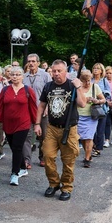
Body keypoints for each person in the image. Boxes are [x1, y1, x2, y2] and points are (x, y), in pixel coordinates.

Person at [34, 60, 86, 201]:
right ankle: (54, 183)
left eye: (59, 71)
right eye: (54, 71)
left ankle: (66, 187)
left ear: (65, 72)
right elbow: (41, 106)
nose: (56, 74)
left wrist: (79, 87)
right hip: (52, 127)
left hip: (69, 129)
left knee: (68, 160)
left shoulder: (71, 85)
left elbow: (82, 104)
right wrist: (37, 124)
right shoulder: (48, 86)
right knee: (48, 155)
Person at [0, 67, 37, 186]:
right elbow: (0, 106)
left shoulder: (28, 90)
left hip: (23, 124)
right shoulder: (5, 90)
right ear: (10, 76)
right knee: (14, 147)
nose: (15, 77)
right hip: (8, 124)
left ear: (22, 76)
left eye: (18, 74)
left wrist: (36, 124)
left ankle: (15, 173)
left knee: (17, 147)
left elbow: (33, 108)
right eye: (13, 74)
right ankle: (23, 167)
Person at [22, 53, 51, 168]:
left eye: (33, 61)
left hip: (41, 110)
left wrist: (47, 107)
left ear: (38, 63)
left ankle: (42, 157)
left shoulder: (45, 75)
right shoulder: (23, 76)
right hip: (27, 111)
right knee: (26, 136)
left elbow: (50, 93)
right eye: (29, 61)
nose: (31, 63)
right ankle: (26, 160)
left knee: (43, 136)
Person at [77, 70, 105, 167]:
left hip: (91, 116)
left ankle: (87, 159)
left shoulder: (95, 87)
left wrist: (96, 100)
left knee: (89, 137)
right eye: (85, 81)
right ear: (81, 80)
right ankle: (88, 153)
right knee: (83, 138)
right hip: (79, 116)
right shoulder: (78, 88)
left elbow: (103, 100)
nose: (87, 83)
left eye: (89, 80)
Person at [90, 63, 110, 158]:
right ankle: (93, 145)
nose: (95, 70)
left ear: (101, 70)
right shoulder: (90, 80)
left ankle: (98, 149)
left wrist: (101, 96)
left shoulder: (104, 81)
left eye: (98, 68)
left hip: (101, 108)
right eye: (94, 68)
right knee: (92, 129)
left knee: (100, 129)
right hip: (91, 107)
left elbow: (108, 93)